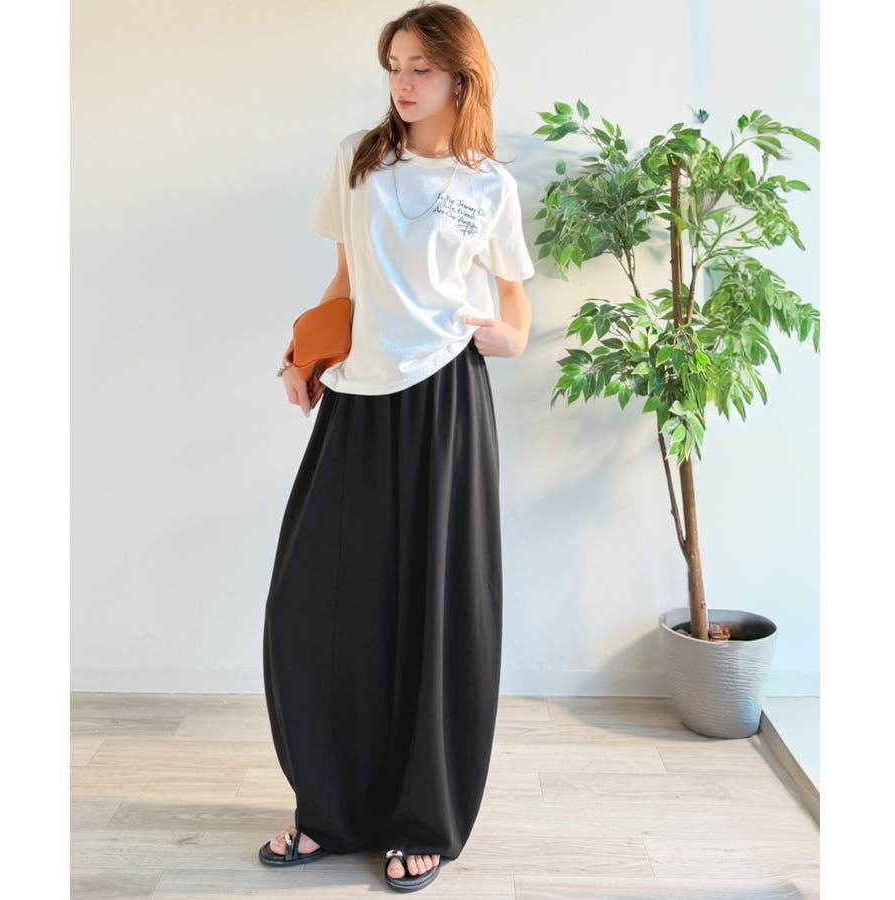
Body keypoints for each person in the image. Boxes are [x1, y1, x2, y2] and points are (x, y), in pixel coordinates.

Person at [259, 1, 535, 892]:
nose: (403, 83)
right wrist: (302, 356)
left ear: (462, 77)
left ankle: (423, 821)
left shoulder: (488, 185)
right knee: (319, 606)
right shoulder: (359, 159)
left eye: (420, 67)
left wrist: (505, 336)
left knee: (438, 612)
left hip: (447, 401)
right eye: (394, 66)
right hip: (357, 399)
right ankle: (330, 812)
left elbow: (516, 305)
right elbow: (345, 281)